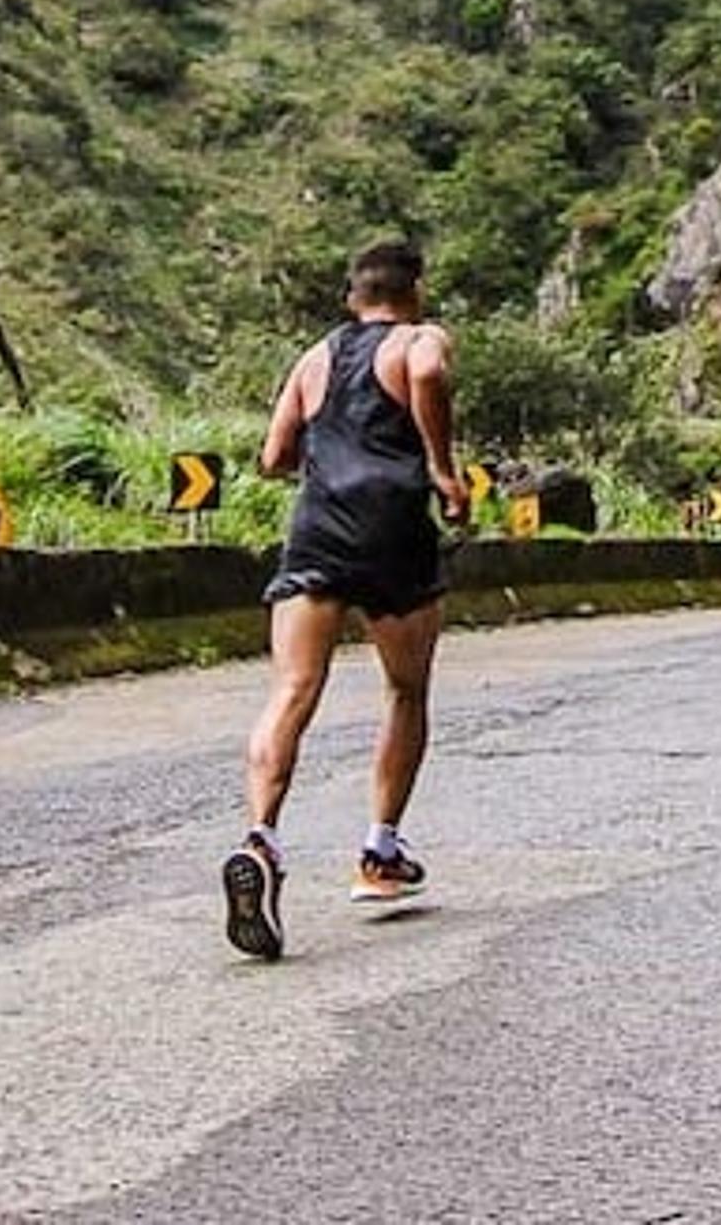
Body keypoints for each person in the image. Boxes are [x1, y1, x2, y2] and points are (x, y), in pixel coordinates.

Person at [220, 237, 469, 961]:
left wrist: (324, 452)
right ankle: (379, 851)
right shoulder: (420, 338)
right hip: (393, 526)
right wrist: (443, 469)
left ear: (351, 295)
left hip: (319, 527)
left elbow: (273, 458)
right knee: (405, 691)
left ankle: (261, 838)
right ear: (415, 288)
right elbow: (425, 369)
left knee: (291, 689)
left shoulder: (314, 357)